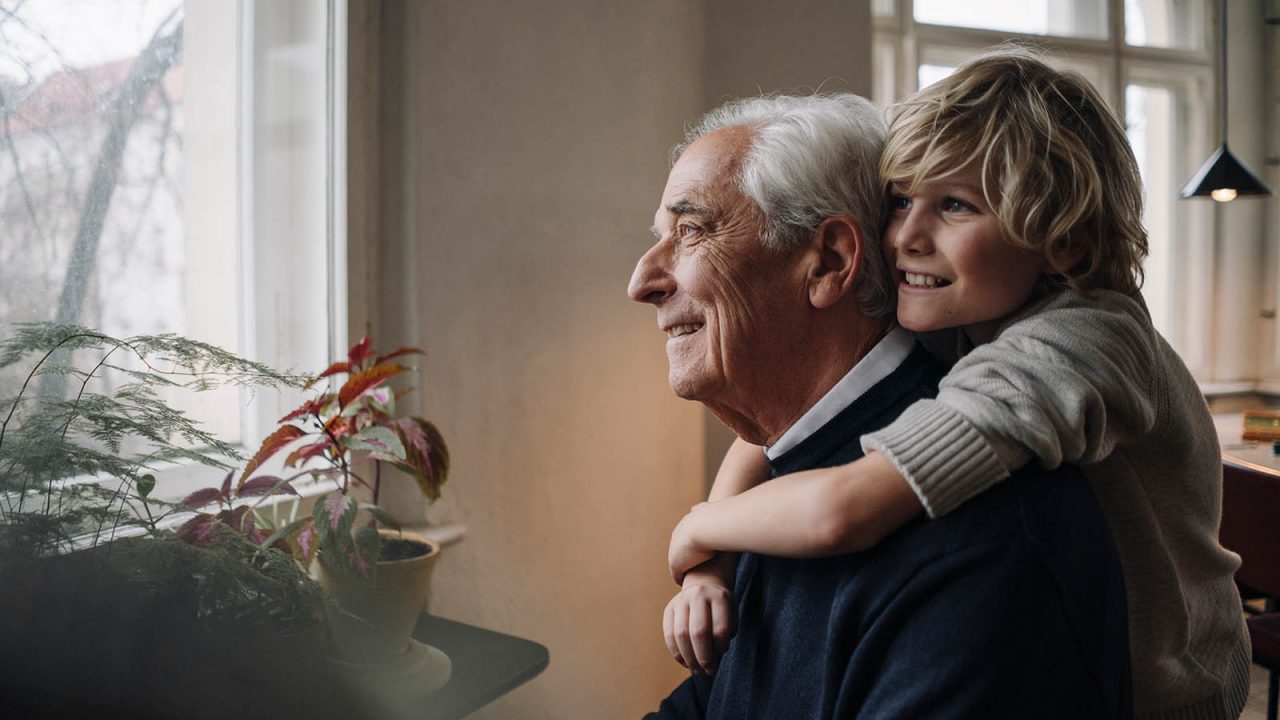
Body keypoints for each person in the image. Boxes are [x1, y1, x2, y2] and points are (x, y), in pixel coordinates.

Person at [664, 48, 1250, 719]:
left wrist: (698, 528)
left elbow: (845, 509)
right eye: (901, 199)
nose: (906, 236)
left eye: (955, 205)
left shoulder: (1076, 347)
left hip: (1166, 686)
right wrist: (713, 566)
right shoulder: (964, 309)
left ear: (1067, 245)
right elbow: (780, 440)